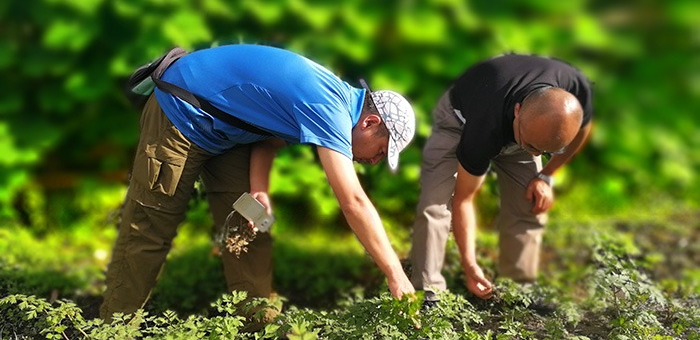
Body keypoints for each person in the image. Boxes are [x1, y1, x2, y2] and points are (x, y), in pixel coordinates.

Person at [100, 44, 417, 323]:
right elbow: (353, 202)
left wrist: (259, 190)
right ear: (371, 123)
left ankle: (257, 322)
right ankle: (114, 326)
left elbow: (270, 140)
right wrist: (396, 274)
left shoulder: (335, 103)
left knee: (254, 220)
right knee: (151, 227)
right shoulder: (330, 109)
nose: (374, 161)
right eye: (379, 151)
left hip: (228, 134)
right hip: (182, 113)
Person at [409, 53, 593, 303]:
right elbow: (463, 199)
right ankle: (428, 292)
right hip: (461, 119)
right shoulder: (484, 127)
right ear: (518, 111)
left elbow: (583, 131)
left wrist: (544, 176)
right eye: (530, 145)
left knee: (531, 200)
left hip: (526, 123)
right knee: (436, 204)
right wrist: (470, 264)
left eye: (544, 151)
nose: (535, 154)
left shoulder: (575, 89)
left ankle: (519, 289)